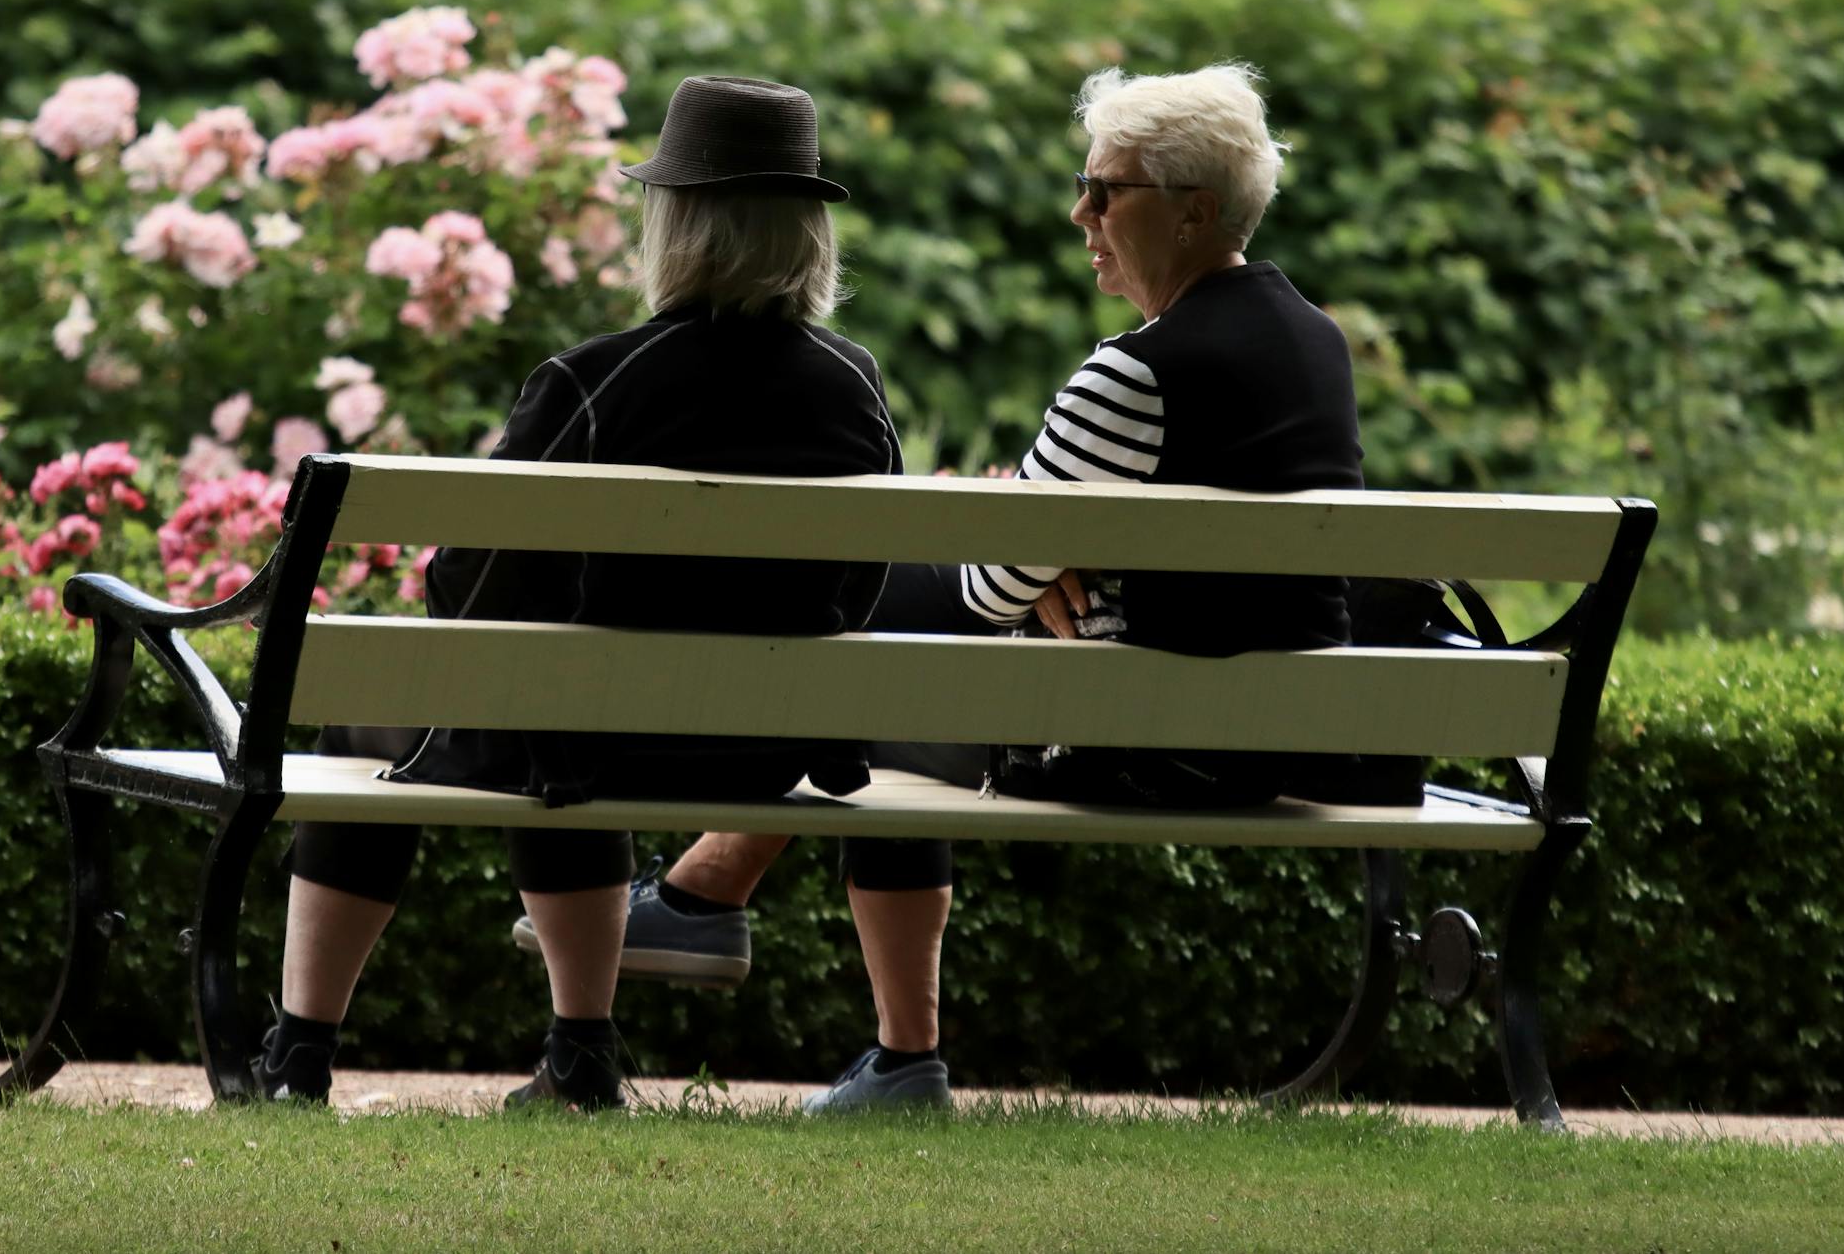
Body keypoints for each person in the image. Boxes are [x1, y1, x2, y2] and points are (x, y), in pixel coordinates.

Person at [542, 62, 1364, 1113]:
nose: (1082, 213)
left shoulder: (1136, 372)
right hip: (1277, 726)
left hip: (1155, 742)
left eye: (1107, 191)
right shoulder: (1314, 341)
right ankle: (750, 927)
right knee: (899, 645)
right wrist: (1053, 562)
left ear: (1194, 212)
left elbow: (986, 589)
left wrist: (1042, 565)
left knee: (876, 623)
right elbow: (1039, 569)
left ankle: (756, 928)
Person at [255, 74, 901, 1111]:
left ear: (675, 225)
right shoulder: (853, 384)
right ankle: (579, 1061)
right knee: (558, 698)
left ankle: (298, 1057)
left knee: (433, 711)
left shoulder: (597, 379)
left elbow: (473, 583)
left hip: (588, 732)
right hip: (763, 751)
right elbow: (860, 585)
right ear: (807, 236)